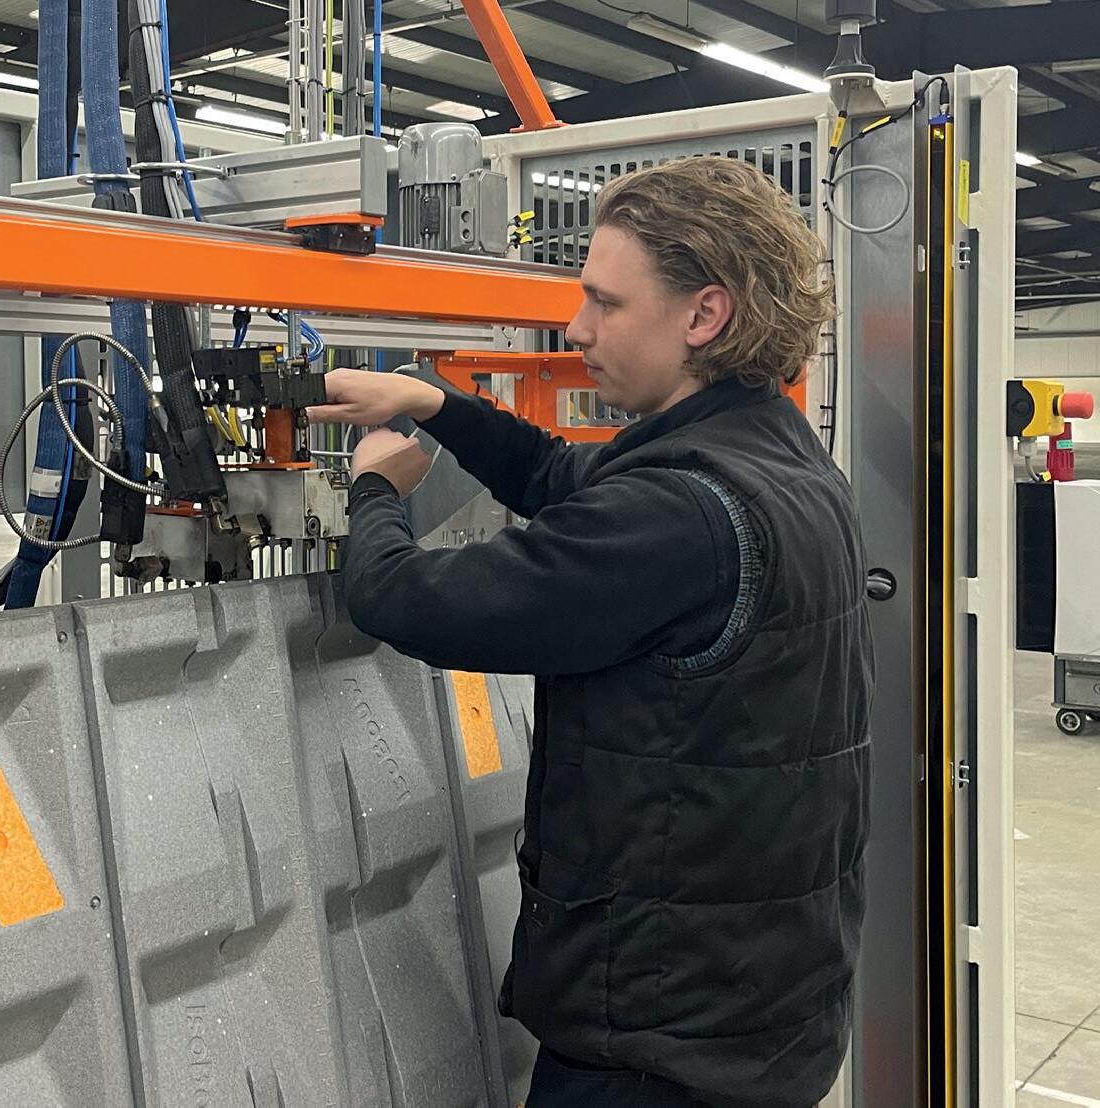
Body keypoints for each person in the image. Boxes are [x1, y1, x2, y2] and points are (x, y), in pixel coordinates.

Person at [306, 156, 873, 1108]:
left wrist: (374, 489)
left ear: (704, 315)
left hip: (658, 1049)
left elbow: (405, 599)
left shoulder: (678, 514)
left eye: (606, 303)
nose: (577, 328)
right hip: (764, 1006)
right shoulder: (781, 461)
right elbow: (562, 477)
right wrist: (434, 405)